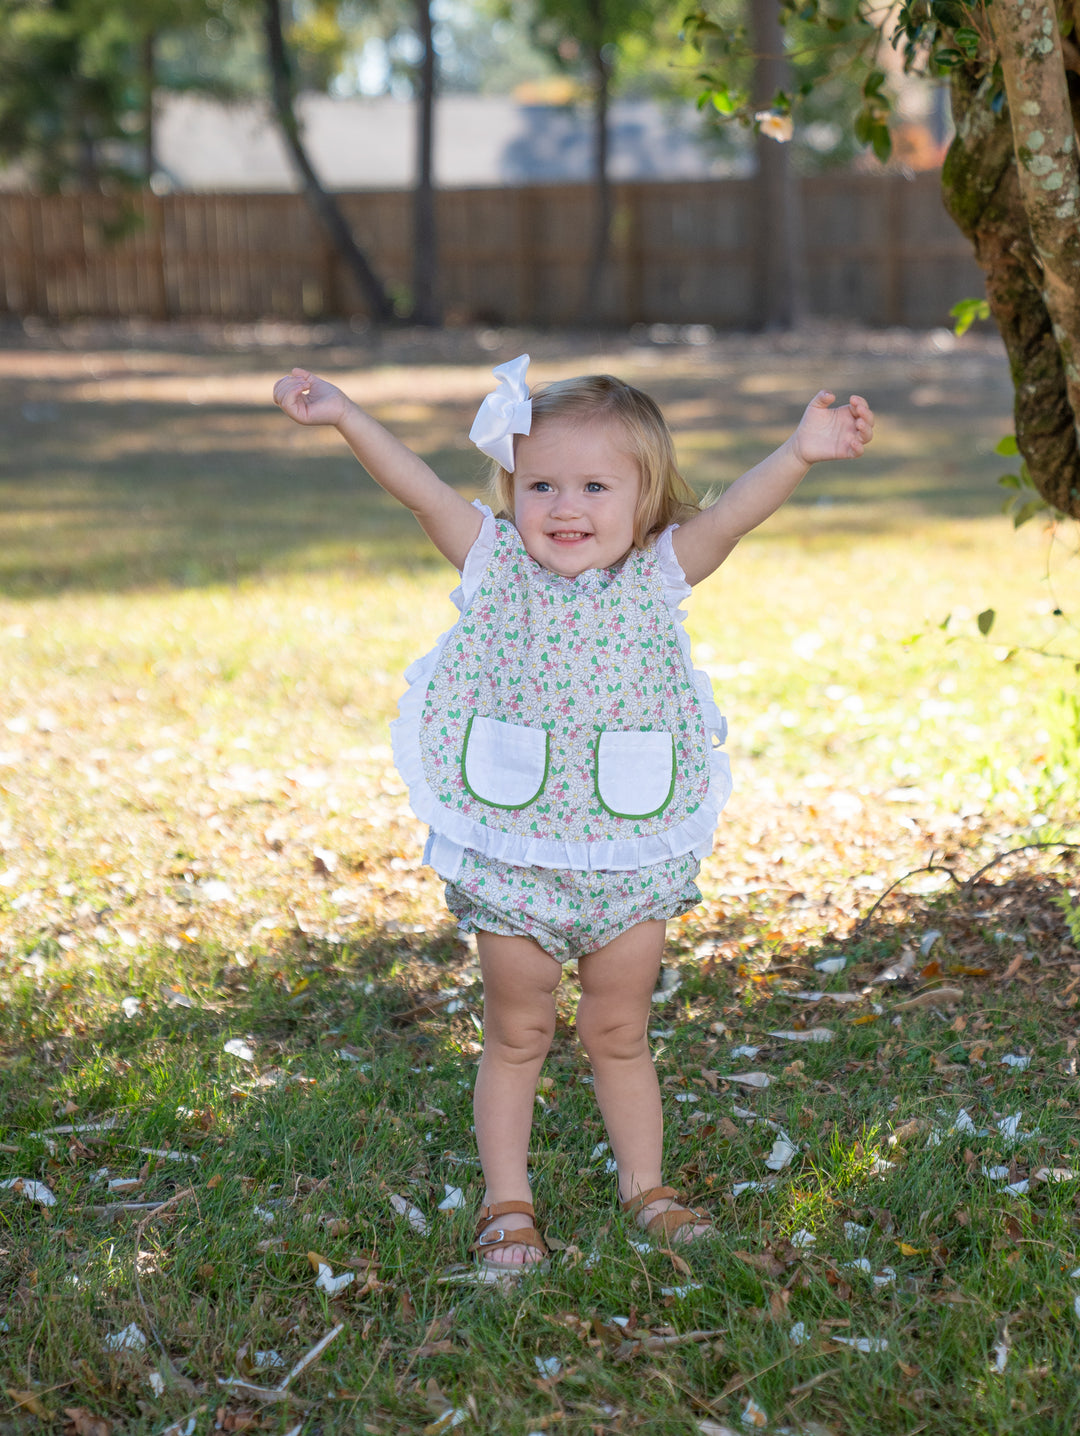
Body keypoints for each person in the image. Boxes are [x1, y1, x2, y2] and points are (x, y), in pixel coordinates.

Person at [272, 356, 874, 1273]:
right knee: (518, 1033)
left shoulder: (658, 575)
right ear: (512, 491)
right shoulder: (493, 562)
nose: (565, 506)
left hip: (630, 857)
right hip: (515, 856)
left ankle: (648, 1189)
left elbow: (734, 515)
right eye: (541, 483)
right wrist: (349, 415)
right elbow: (420, 489)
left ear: (645, 499)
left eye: (596, 485)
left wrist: (800, 450)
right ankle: (506, 1204)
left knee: (619, 1032)